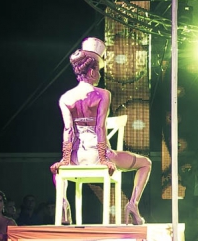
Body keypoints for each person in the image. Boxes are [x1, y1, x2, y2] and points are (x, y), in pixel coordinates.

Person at [50, 37, 152, 225]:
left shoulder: (65, 97)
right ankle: (133, 204)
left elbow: (68, 130)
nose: (99, 75)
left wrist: (65, 159)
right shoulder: (102, 94)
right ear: (91, 71)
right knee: (146, 163)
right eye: (98, 70)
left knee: (59, 171)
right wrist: (104, 158)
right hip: (99, 154)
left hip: (77, 157)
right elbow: (100, 127)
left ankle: (63, 203)